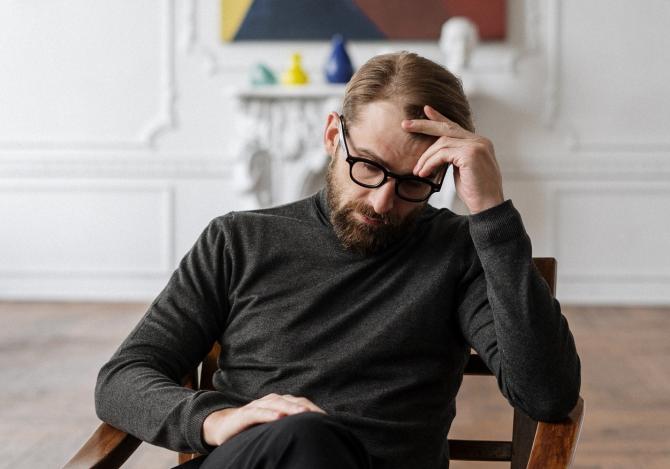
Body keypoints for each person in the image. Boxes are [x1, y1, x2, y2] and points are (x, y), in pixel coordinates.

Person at [95, 51, 581, 469]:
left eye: (414, 183)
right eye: (367, 166)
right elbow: (121, 379)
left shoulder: (462, 254)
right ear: (333, 136)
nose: (382, 202)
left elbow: (547, 395)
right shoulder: (239, 239)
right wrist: (217, 420)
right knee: (306, 437)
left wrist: (491, 211)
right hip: (258, 459)